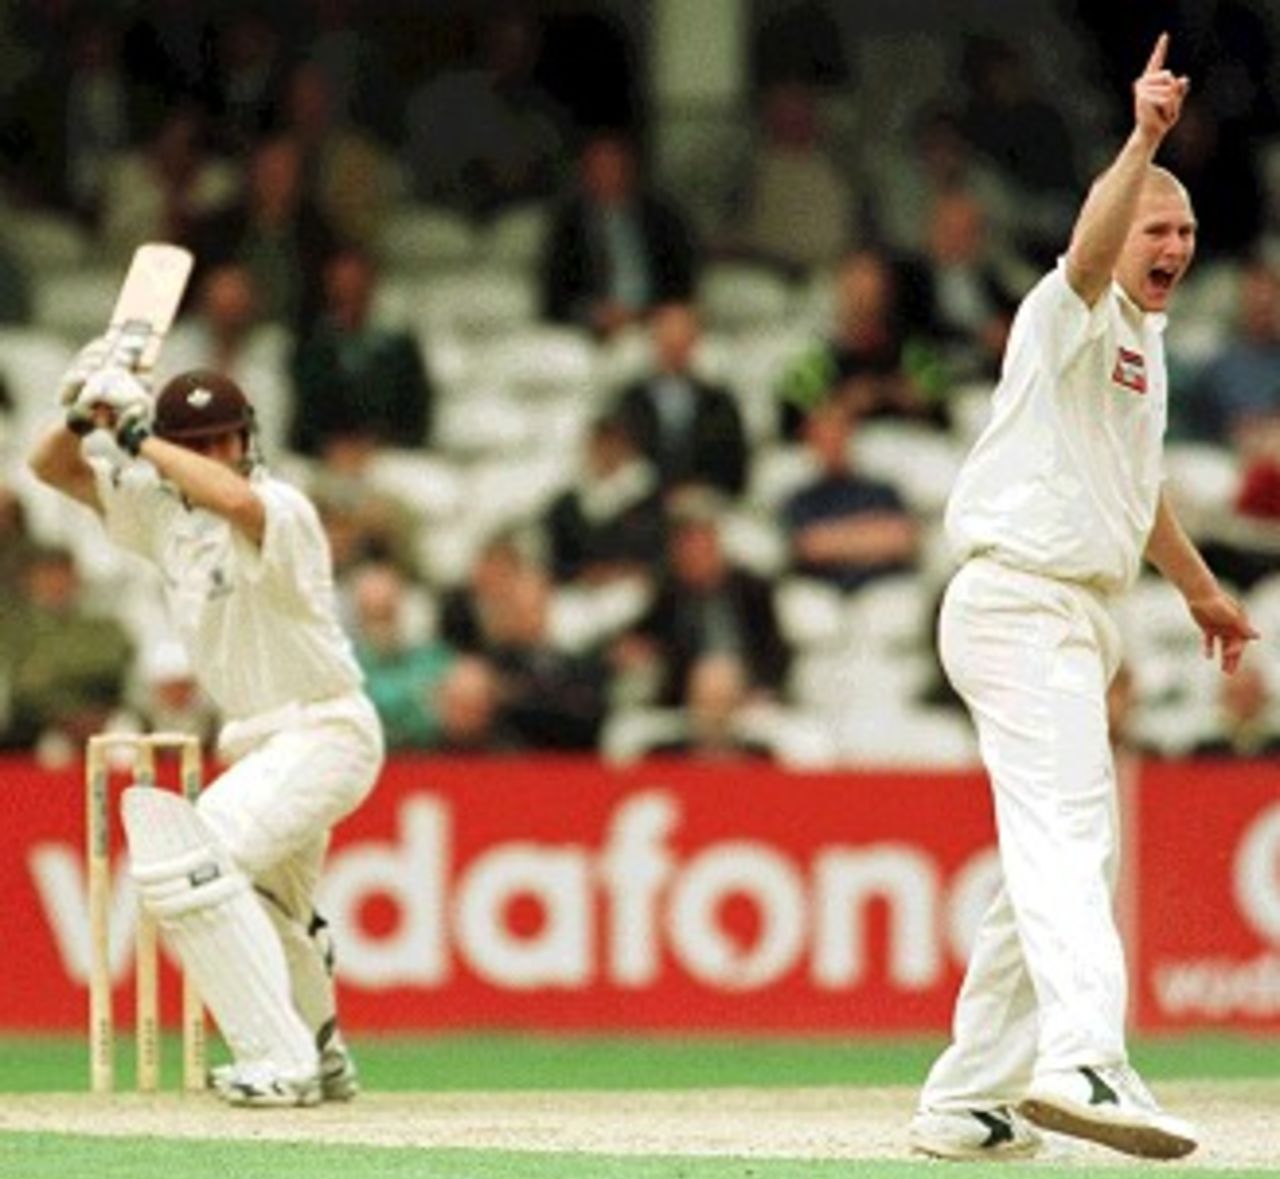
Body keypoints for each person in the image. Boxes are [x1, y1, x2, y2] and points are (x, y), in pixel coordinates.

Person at [909, 35, 1258, 1163]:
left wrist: (1202, 595)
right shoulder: (1065, 312)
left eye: (1186, 233)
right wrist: (1145, 139)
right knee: (1069, 833)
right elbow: (1083, 246)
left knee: (1045, 853)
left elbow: (1137, 492)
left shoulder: (1141, 350)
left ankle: (967, 1100)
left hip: (1063, 611)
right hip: (1015, 600)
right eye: (1158, 228)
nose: (1174, 246)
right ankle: (1081, 1060)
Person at [28, 357, 385, 1107]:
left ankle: (277, 1057)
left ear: (248, 439)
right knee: (257, 896)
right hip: (259, 742)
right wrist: (81, 413)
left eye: (228, 439)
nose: (219, 454)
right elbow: (50, 468)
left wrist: (138, 436)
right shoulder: (165, 519)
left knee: (199, 854)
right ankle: (320, 1050)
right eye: (203, 442)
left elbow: (231, 497)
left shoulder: (281, 506)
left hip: (325, 726)